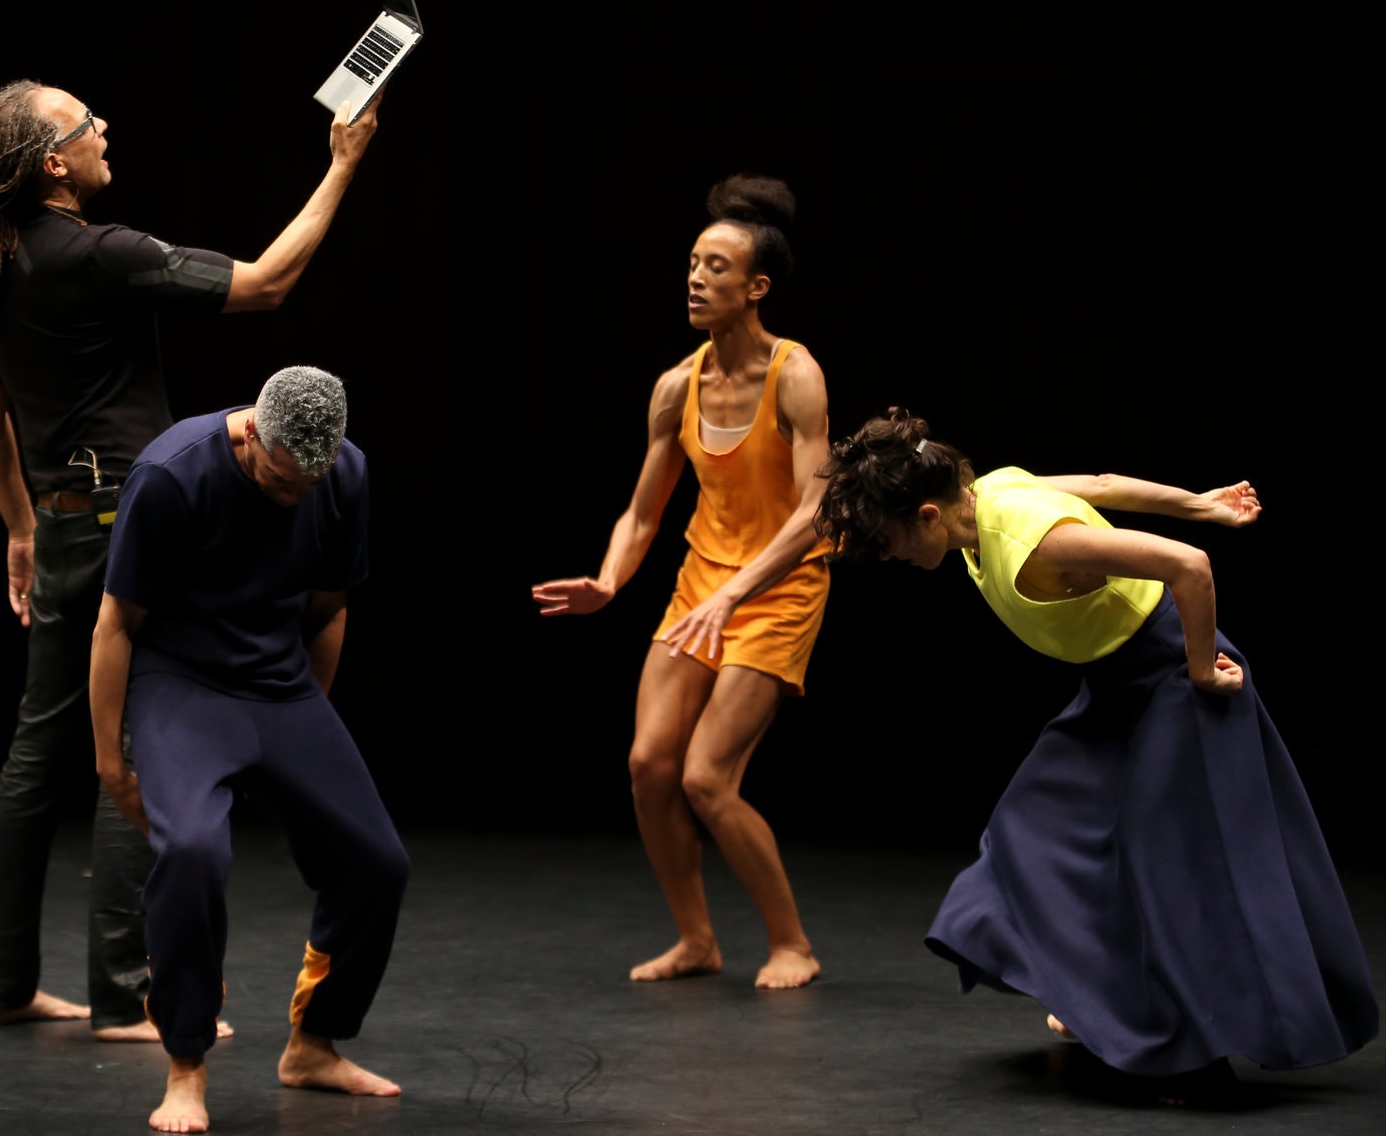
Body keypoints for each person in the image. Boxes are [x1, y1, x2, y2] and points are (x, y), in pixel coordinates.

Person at [0, 80, 381, 1037]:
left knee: (36, 748)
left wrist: (21, 524)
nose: (106, 128)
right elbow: (268, 283)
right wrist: (343, 164)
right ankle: (125, 994)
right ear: (54, 163)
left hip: (63, 519)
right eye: (86, 124)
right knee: (138, 739)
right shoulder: (103, 253)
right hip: (125, 518)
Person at [813, 409, 1377, 1081]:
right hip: (1116, 688)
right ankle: (1099, 1001)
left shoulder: (1029, 539)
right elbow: (1102, 484)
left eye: (893, 541)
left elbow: (1187, 567)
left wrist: (1199, 666)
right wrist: (1199, 502)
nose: (894, 557)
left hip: (1173, 677)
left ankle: (1190, 1054)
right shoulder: (989, 491)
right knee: (1031, 833)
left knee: (1164, 860)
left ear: (929, 515)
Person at [90, 366, 406, 1133]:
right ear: (251, 435)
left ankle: (314, 1045)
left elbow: (328, 609)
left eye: (310, 483)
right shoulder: (173, 473)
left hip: (281, 687)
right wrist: (110, 762)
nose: (295, 495)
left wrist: (310, 733)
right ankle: (186, 1066)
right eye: (280, 481)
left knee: (377, 862)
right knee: (194, 853)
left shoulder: (343, 473)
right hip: (181, 686)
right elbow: (115, 626)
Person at [532, 176, 829, 989]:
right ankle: (697, 940)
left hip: (782, 586)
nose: (697, 278)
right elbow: (641, 514)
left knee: (707, 777)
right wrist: (608, 580)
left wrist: (738, 593)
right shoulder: (678, 386)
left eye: (718, 267)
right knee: (650, 765)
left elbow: (816, 513)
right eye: (694, 263)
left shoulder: (795, 376)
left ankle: (791, 943)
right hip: (704, 579)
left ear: (757, 286)